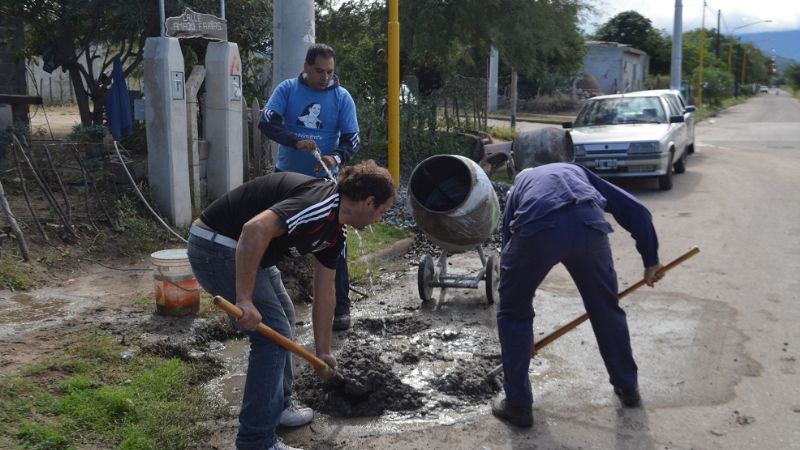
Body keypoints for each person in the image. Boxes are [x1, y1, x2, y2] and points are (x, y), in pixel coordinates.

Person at [187, 161, 396, 450]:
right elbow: (253, 229)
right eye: (381, 212)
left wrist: (323, 352)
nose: (378, 220)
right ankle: (255, 440)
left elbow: (325, 292)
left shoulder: (336, 231)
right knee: (271, 335)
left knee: (284, 317)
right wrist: (244, 299)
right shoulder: (319, 204)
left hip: (247, 252)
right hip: (218, 245)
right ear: (369, 202)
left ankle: (279, 406)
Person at [491, 162, 665, 428]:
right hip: (589, 225)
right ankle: (627, 388)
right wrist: (651, 259)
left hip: (538, 228)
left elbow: (508, 251)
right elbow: (635, 209)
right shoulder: (577, 172)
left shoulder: (518, 191)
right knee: (606, 308)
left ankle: (518, 405)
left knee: (513, 312)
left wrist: (518, 339)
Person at [259, 43, 360, 333]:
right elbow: (267, 123)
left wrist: (335, 157)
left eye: (330, 72)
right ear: (306, 67)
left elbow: (352, 139)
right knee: (274, 241)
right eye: (319, 71)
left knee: (333, 247)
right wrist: (294, 140)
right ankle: (269, 306)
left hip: (326, 184)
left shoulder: (342, 98)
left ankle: (341, 308)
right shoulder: (288, 90)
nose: (325, 77)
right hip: (287, 180)